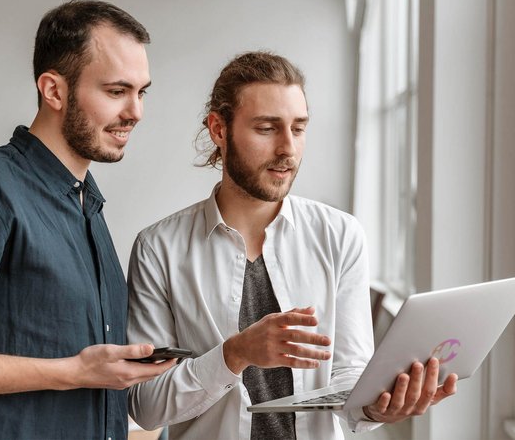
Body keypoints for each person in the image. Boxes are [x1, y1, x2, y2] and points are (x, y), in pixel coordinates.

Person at [126, 51, 458, 439]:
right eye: (267, 129)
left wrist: (377, 404)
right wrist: (235, 354)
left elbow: (350, 374)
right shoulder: (159, 248)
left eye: (298, 129)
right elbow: (145, 406)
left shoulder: (340, 236)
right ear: (219, 129)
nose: (288, 148)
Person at [0, 0, 174, 440]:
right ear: (54, 91)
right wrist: (71, 372)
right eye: (116, 91)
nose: (136, 112)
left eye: (141, 91)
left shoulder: (88, 205)